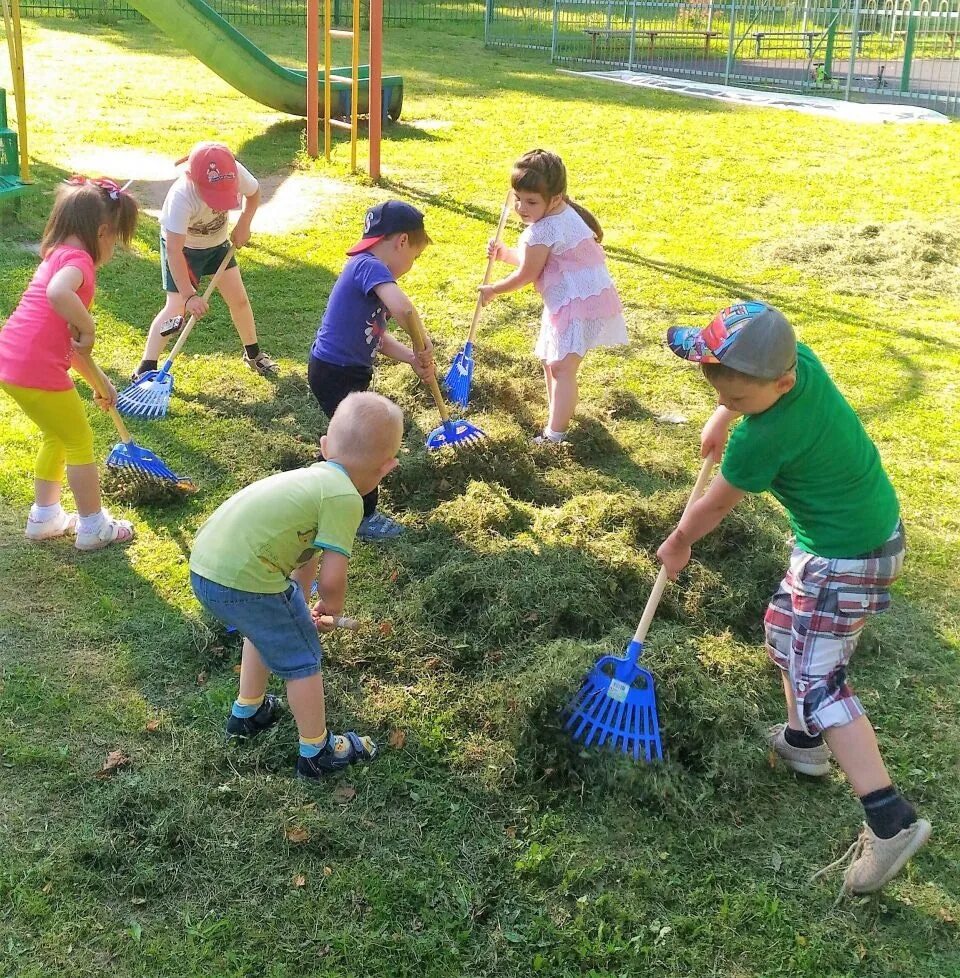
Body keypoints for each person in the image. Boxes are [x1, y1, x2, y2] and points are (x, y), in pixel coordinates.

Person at [656, 300, 931, 896]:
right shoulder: (793, 360)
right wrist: (723, 415)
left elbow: (718, 503)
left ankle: (890, 820)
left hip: (844, 557)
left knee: (819, 680)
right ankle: (804, 744)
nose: (732, 408)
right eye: (722, 395)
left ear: (780, 384)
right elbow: (729, 369)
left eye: (740, 402)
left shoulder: (765, 437)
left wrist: (678, 543)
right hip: (862, 535)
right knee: (786, 629)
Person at [189, 391, 403, 778]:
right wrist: (331, 609)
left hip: (208, 569)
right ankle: (317, 751)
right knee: (303, 657)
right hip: (245, 582)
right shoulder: (346, 498)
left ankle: (248, 711)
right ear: (386, 468)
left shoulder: (313, 480)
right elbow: (332, 575)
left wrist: (301, 605)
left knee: (266, 626)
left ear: (324, 446)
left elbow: (305, 559)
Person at [0, 176, 139, 551]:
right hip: (36, 368)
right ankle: (93, 527)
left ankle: (45, 517)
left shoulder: (57, 255)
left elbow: (74, 348)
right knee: (79, 440)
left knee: (57, 434)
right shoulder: (78, 262)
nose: (113, 248)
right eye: (115, 239)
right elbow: (58, 294)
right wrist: (89, 324)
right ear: (102, 231)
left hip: (12, 363)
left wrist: (101, 383)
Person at [478, 149, 627, 444]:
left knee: (562, 367)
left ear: (556, 198)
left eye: (531, 202)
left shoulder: (543, 230)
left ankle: (555, 435)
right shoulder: (560, 215)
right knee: (552, 361)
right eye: (518, 198)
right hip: (568, 300)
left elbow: (528, 274)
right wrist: (505, 254)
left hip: (579, 303)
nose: (521, 207)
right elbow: (538, 261)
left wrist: (494, 289)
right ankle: (557, 414)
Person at [307, 200, 435, 541]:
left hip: (339, 370)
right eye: (414, 258)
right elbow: (404, 309)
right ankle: (364, 517)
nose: (409, 266)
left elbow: (376, 336)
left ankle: (319, 484)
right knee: (365, 442)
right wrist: (422, 344)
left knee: (348, 436)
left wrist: (410, 356)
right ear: (402, 242)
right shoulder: (369, 266)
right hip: (335, 371)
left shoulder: (368, 270)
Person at [131, 141, 278, 379]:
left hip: (218, 245)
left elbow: (254, 193)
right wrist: (189, 295)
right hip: (184, 251)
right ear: (194, 180)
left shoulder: (234, 172)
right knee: (176, 308)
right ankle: (146, 366)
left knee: (239, 300)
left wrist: (244, 223)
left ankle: (253, 354)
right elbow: (174, 251)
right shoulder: (181, 197)